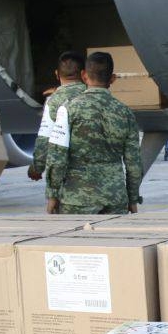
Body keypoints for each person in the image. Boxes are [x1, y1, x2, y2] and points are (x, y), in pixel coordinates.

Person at [44, 51, 143, 215]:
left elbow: (57, 158)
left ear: (84, 76)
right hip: (115, 199)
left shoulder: (67, 110)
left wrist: (52, 195)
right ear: (112, 79)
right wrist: (132, 199)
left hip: (76, 199)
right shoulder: (125, 113)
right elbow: (134, 163)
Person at [29, 51, 88, 182]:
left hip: (70, 178)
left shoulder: (54, 101)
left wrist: (36, 167)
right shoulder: (97, 95)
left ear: (57, 74)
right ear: (84, 74)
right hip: (103, 177)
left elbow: (44, 139)